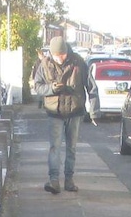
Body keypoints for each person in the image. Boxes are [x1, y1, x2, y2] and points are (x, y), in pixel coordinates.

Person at [31, 35, 93, 193]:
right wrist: (52, 88)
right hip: (55, 112)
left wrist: (94, 110)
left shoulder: (78, 61)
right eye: (56, 55)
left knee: (71, 147)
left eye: (62, 55)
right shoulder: (44, 64)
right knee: (55, 147)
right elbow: (38, 87)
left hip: (75, 111)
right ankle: (54, 181)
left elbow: (91, 85)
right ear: (51, 53)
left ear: (66, 51)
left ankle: (69, 181)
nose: (59, 58)